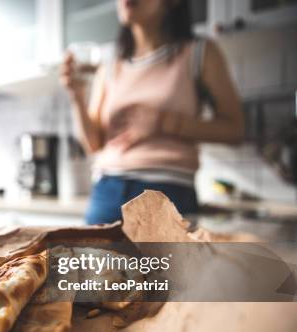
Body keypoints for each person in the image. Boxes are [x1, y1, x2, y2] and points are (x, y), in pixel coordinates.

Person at [61, 0, 245, 225]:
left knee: (159, 263)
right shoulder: (110, 65)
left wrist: (164, 122)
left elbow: (235, 130)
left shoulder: (199, 53)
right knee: (92, 262)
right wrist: (76, 96)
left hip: (167, 192)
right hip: (106, 192)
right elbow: (93, 144)